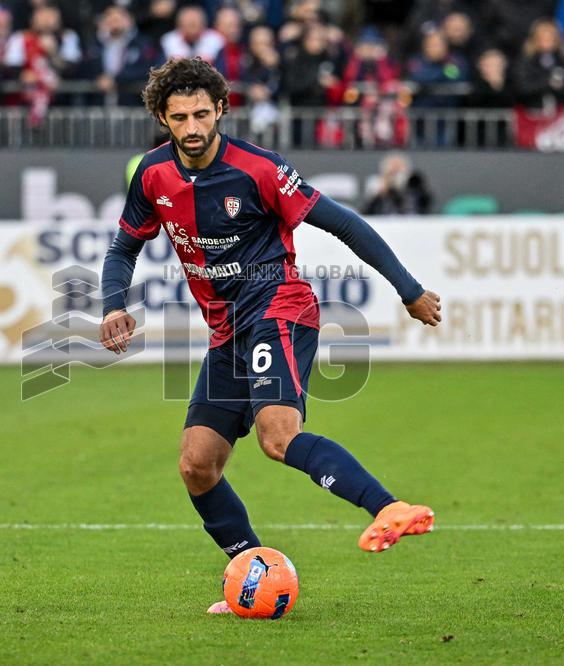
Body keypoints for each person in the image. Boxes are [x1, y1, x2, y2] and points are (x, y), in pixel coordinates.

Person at [99, 57, 440, 615]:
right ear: (162, 117)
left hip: (279, 306)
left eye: (201, 114)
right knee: (197, 464)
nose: (192, 127)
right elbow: (123, 248)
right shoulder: (153, 174)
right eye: (179, 117)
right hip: (226, 331)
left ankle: (388, 507)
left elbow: (345, 223)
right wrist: (113, 304)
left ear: (221, 109)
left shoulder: (259, 168)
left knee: (277, 437)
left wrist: (409, 289)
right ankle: (255, 574)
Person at [362, 151, 433, 214]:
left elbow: (427, 204)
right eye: (393, 173)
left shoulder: (415, 189)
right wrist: (381, 194)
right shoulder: (379, 191)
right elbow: (367, 213)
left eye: (399, 172)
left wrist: (416, 185)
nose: (396, 177)